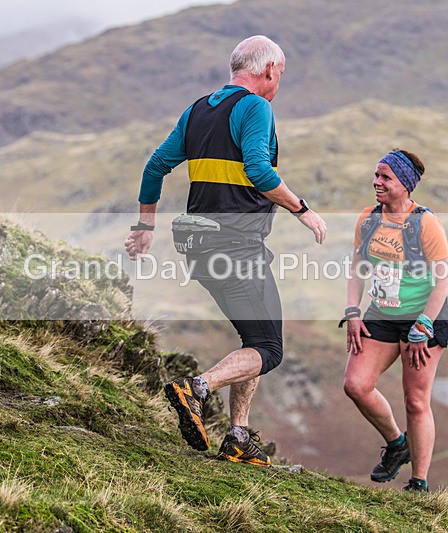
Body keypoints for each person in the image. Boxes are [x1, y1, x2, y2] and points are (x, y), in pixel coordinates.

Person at [125, 35, 326, 466]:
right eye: (281, 74)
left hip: (199, 245)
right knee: (269, 349)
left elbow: (155, 166)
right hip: (236, 245)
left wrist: (145, 227)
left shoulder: (198, 109)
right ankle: (196, 389)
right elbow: (257, 168)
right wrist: (302, 210)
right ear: (269, 70)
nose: (279, 82)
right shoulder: (256, 107)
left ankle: (237, 436)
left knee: (251, 340)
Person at [342, 149, 448, 492]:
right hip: (382, 313)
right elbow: (358, 267)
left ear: (404, 184)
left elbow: (444, 279)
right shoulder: (369, 218)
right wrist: (353, 312)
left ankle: (418, 481)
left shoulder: (425, 223)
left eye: (385, 177)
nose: (376, 182)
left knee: (416, 400)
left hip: (423, 317)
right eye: (376, 175)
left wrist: (423, 325)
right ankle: (396, 443)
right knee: (356, 385)